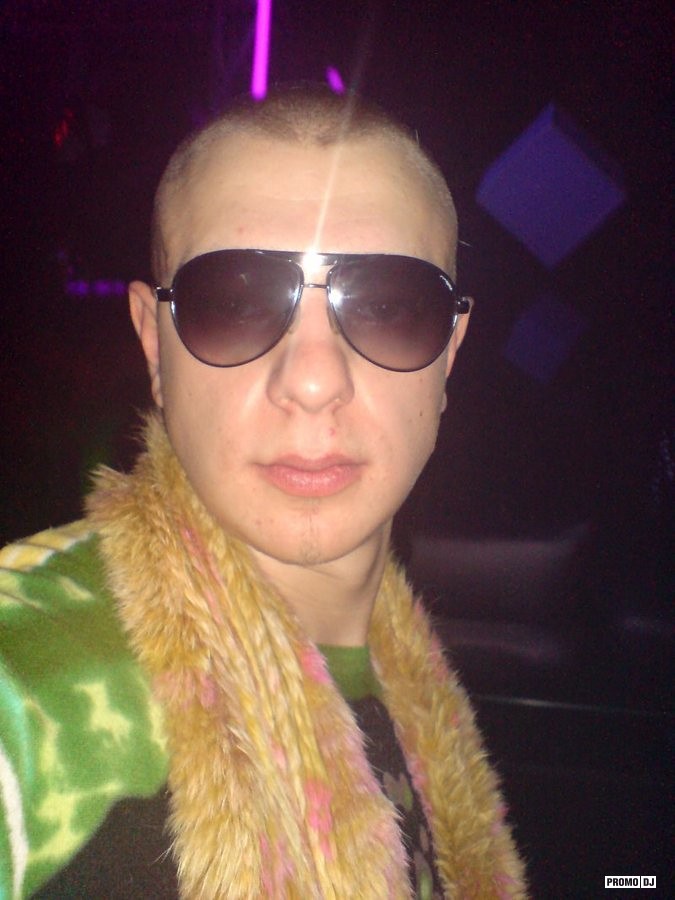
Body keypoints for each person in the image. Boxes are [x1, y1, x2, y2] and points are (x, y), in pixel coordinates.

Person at [0, 85, 527, 898]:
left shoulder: (424, 692)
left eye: (386, 307)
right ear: (153, 346)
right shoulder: (34, 690)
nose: (312, 380)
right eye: (236, 302)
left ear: (449, 353)